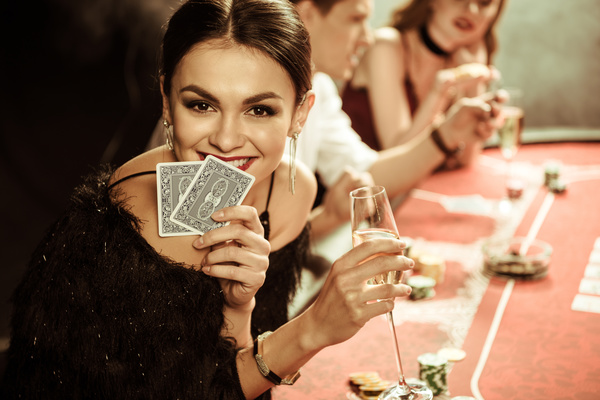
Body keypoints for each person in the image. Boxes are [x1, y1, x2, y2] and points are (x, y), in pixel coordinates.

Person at [1, 0, 414, 399]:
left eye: (260, 110)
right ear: (166, 100)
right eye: (202, 105)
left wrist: (239, 308)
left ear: (300, 114)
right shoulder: (123, 222)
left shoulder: (292, 192)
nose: (227, 139)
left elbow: (237, 370)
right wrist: (314, 328)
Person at [289, 0, 505, 241]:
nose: (367, 38)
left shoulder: (320, 88)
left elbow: (370, 172)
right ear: (307, 14)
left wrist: (448, 133)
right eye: (356, 19)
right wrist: (329, 217)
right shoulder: (254, 96)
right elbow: (258, 245)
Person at [342, 0, 505, 152]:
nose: (471, 9)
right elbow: (397, 154)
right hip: (366, 182)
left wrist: (475, 80)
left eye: (485, 2)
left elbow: (464, 159)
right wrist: (439, 92)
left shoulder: (461, 59)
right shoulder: (386, 46)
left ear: (494, 14)